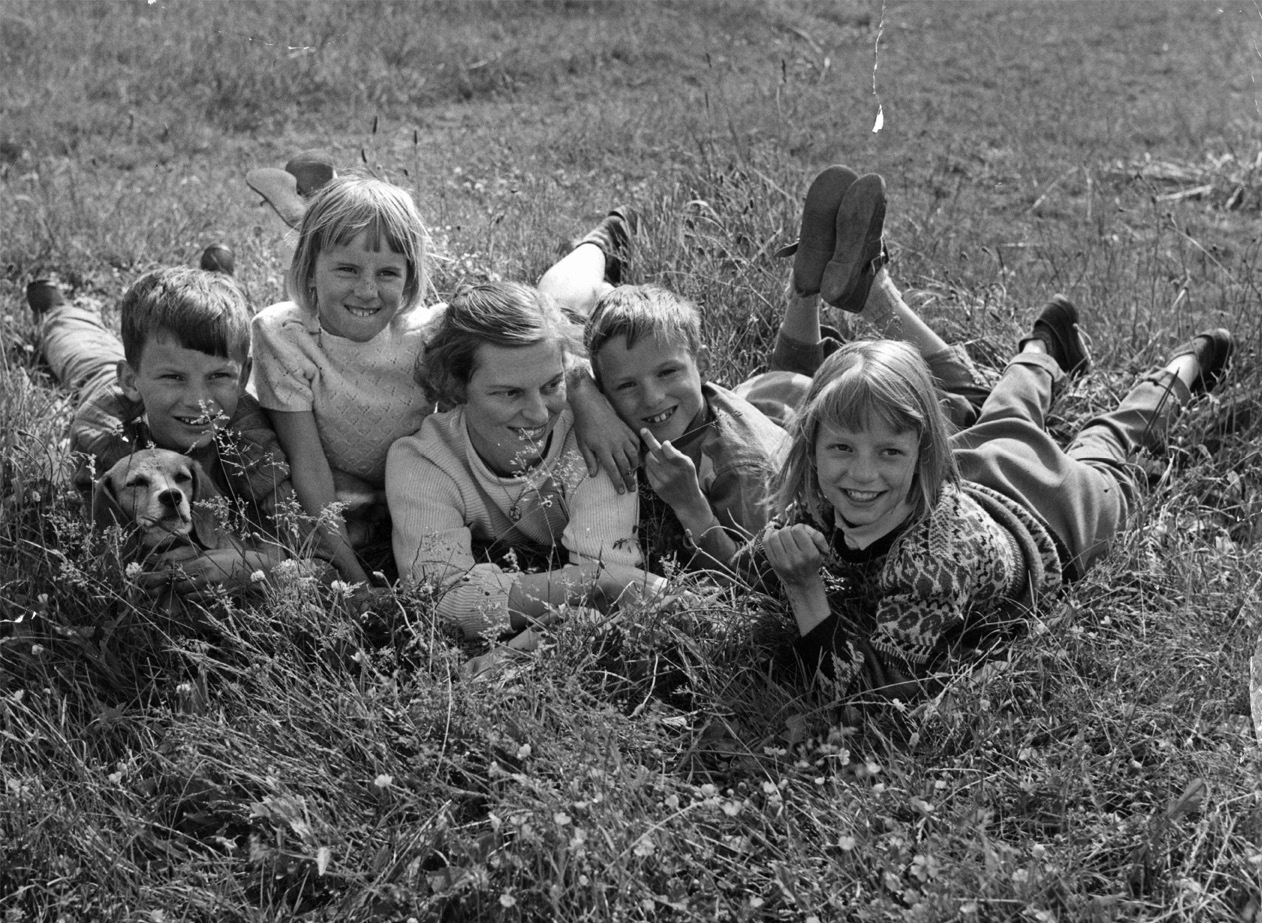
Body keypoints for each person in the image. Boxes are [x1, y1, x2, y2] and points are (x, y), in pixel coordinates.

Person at [756, 303, 1234, 701]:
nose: (861, 473)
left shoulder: (934, 562)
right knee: (1008, 407)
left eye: (888, 450)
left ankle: (1186, 364)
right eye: (842, 447)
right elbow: (748, 566)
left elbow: (875, 698)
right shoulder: (822, 497)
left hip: (1062, 517)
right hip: (984, 467)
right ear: (812, 446)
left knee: (1107, 440)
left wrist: (803, 587)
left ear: (924, 452)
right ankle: (1044, 344)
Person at [251, 176, 640, 588]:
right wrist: (353, 579)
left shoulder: (425, 331)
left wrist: (586, 395)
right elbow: (307, 465)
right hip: (352, 487)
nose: (367, 291)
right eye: (346, 269)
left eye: (387, 272)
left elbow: (532, 339)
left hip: (399, 483)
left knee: (558, 304)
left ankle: (597, 244)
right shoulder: (284, 335)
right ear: (310, 271)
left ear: (409, 276)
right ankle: (306, 206)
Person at [386, 281, 669, 648]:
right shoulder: (423, 461)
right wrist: (593, 581)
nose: (538, 414)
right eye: (509, 393)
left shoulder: (594, 440)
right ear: (457, 389)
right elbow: (444, 597)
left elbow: (607, 581)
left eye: (552, 385)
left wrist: (596, 584)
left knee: (572, 285)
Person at [27, 267, 294, 598]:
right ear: (130, 379)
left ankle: (216, 279)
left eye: (219, 376)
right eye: (174, 378)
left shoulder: (245, 425)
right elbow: (104, 540)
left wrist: (252, 566)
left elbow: (301, 530)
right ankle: (57, 311)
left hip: (157, 385)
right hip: (113, 395)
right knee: (82, 353)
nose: (199, 402)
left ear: (242, 379)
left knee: (208, 329)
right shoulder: (105, 433)